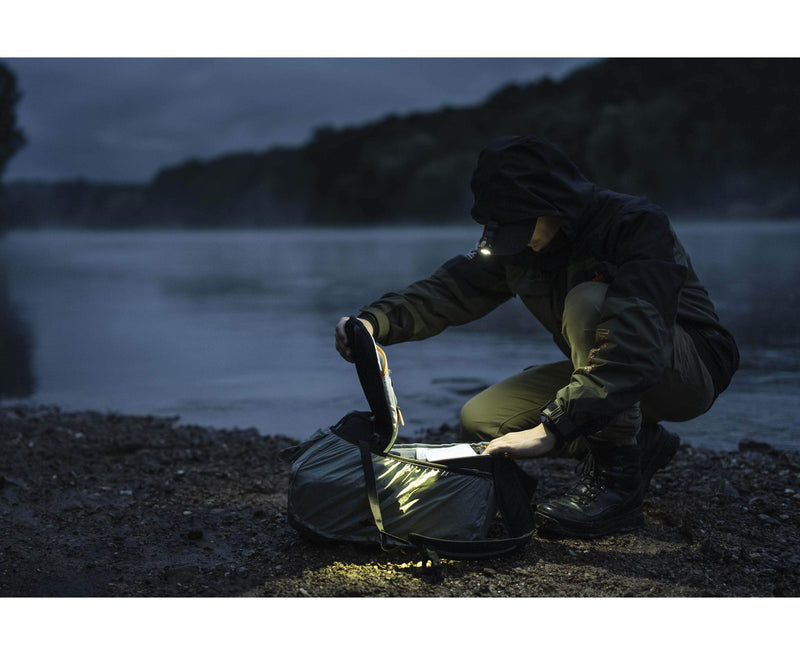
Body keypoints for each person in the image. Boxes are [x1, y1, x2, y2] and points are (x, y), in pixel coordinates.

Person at [334, 135, 739, 539]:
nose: (519, 240)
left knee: (588, 301)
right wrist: (373, 323)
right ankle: (641, 443)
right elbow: (450, 290)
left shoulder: (633, 225)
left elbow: (636, 339)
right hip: (612, 371)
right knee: (484, 423)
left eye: (523, 226)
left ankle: (618, 485)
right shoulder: (523, 248)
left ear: (553, 203)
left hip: (687, 370)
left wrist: (553, 428)